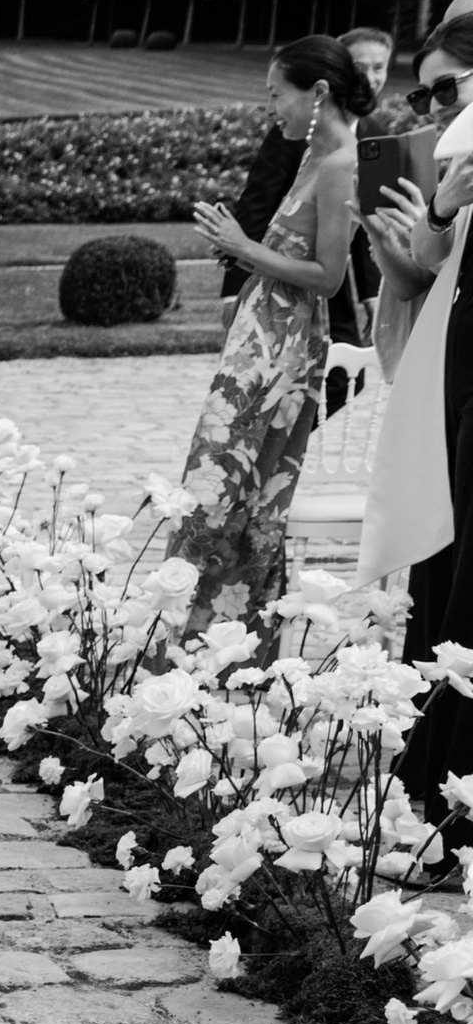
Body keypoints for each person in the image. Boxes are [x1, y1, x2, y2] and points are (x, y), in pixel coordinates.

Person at [175, 34, 369, 631]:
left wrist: (243, 248)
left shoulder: (341, 166)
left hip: (283, 354)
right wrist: (243, 258)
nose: (270, 108)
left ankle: (222, 633)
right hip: (257, 342)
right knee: (212, 486)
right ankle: (195, 626)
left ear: (318, 92)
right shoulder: (310, 154)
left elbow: (330, 277)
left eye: (276, 95)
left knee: (235, 493)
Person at [361, 0, 473, 805]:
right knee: (447, 577)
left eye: (448, 90)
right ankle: (434, 784)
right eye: (427, 96)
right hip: (455, 381)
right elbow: (436, 266)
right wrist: (429, 214)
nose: (433, 110)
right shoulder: (459, 159)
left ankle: (440, 787)